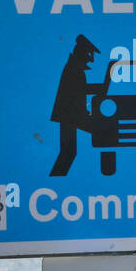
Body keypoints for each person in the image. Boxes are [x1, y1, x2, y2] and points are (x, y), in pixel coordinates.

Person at [49, 35, 102, 176]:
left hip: (70, 115)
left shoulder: (74, 68)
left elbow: (80, 91)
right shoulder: (75, 70)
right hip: (70, 115)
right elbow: (77, 93)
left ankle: (57, 176)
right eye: (89, 54)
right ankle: (57, 177)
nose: (91, 59)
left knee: (68, 152)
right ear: (83, 53)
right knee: (68, 151)